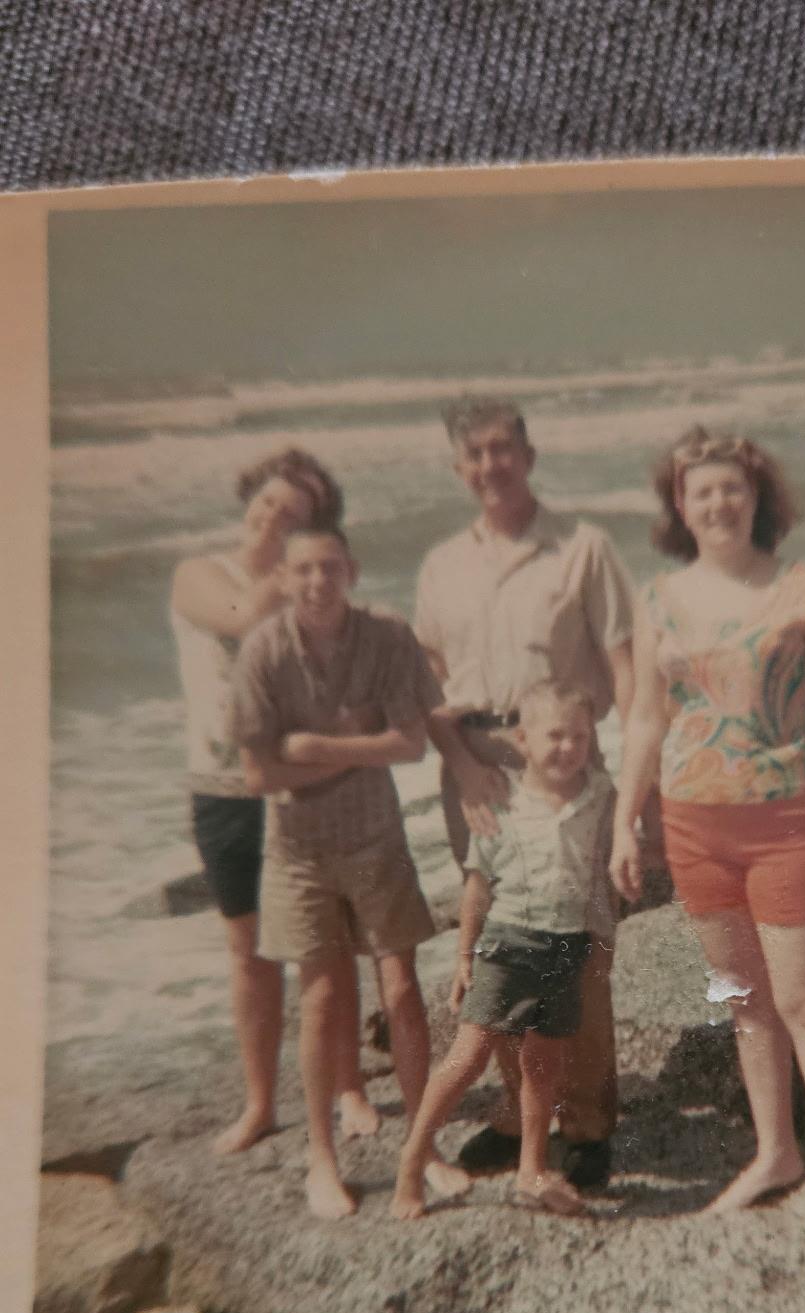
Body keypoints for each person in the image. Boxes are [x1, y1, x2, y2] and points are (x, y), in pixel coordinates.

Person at [610, 427, 805, 1273]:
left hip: (792, 827)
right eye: (700, 492)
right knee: (743, 1001)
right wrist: (621, 823)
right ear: (679, 506)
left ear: (757, 500)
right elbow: (643, 715)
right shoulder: (656, 598)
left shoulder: (802, 587)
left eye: (731, 490)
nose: (717, 503)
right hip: (693, 831)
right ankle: (775, 1152)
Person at [413, 395, 634, 1192]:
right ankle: (518, 1116)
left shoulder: (582, 548)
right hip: (473, 769)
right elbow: (428, 686)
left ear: (528, 455)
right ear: (457, 468)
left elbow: (626, 669)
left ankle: (588, 1122)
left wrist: (639, 787)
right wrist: (463, 764)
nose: (489, 467)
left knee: (580, 952)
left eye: (502, 450)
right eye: (473, 455)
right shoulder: (441, 565)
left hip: (567, 767)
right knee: (503, 944)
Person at [233, 524, 468, 1221]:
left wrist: (310, 746)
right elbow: (257, 773)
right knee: (321, 998)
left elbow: (410, 743)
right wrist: (350, 745)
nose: (316, 583)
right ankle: (322, 1159)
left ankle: (423, 1150)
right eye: (302, 570)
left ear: (351, 570)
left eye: (329, 568)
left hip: (375, 838)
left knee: (400, 990)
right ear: (282, 576)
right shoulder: (264, 651)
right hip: (298, 850)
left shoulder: (387, 637)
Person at [170, 448, 376, 1155]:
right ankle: (260, 1102)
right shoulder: (199, 573)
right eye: (267, 501)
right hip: (223, 787)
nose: (271, 516)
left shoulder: (306, 583)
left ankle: (348, 1084)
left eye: (293, 512)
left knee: (329, 941)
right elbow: (236, 619)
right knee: (248, 950)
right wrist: (290, 575)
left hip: (305, 783)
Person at [392, 681, 617, 1222]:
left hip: (569, 943)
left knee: (545, 1065)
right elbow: (478, 884)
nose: (568, 747)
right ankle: (412, 1157)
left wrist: (604, 941)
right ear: (522, 739)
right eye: (554, 736)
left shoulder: (601, 793)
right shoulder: (501, 797)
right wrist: (465, 958)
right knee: (468, 1056)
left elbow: (606, 866)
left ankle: (531, 1170)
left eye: (580, 736)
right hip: (509, 942)